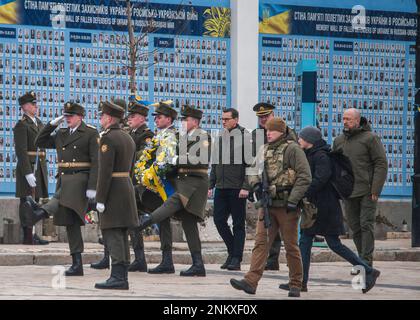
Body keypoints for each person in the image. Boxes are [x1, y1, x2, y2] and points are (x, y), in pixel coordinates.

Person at [279, 126, 380, 294]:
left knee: (334, 244)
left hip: (326, 208)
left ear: (310, 140)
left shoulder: (321, 156)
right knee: (305, 242)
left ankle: (368, 270)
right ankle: (300, 282)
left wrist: (302, 193)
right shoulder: (311, 154)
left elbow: (320, 179)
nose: (299, 140)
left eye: (302, 138)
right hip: (315, 207)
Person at [230, 118, 311, 297]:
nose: (268, 133)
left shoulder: (293, 149)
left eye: (272, 130)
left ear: (281, 132)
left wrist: (293, 199)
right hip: (267, 205)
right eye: (267, 130)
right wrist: (256, 185)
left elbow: (305, 176)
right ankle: (250, 282)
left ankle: (296, 283)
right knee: (260, 244)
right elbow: (252, 170)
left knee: (291, 245)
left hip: (287, 206)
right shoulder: (264, 149)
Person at [23, 102, 99, 276]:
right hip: (64, 179)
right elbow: (39, 141)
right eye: (65, 116)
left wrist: (93, 187)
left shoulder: (90, 133)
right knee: (70, 221)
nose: (68, 119)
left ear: (80, 117)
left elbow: (97, 162)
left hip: (81, 178)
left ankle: (40, 213)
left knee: (64, 195)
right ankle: (77, 264)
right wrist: (51, 125)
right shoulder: (62, 133)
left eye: (71, 116)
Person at [139, 104, 210, 277]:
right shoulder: (182, 137)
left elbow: (199, 160)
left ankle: (141, 224)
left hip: (194, 184)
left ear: (195, 121)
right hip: (183, 183)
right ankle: (198, 264)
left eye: (186, 120)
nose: (183, 122)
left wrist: (175, 158)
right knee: (188, 222)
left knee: (169, 206)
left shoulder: (202, 136)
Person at [333, 109, 387, 267]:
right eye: (343, 118)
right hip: (348, 192)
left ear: (357, 120)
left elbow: (381, 163)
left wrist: (376, 188)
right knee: (354, 227)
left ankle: (366, 262)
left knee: (366, 224)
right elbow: (335, 164)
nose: (345, 121)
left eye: (348, 119)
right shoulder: (339, 140)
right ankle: (361, 259)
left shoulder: (370, 138)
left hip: (367, 190)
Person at [94, 101, 139, 290]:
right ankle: (122, 275)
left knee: (112, 232)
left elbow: (105, 171)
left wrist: (100, 198)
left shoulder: (108, 138)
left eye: (102, 115)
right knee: (121, 233)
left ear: (110, 118)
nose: (100, 118)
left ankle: (118, 277)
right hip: (126, 187)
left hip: (113, 190)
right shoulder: (127, 137)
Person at [209, 108, 250, 270]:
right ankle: (232, 251)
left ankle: (236, 259)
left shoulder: (245, 137)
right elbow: (215, 163)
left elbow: (251, 164)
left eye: (227, 119)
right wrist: (211, 184)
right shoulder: (221, 137)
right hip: (221, 186)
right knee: (219, 220)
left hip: (237, 188)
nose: (224, 122)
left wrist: (246, 186)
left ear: (236, 119)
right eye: (222, 119)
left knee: (238, 224)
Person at [141, 101, 178, 274]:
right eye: (155, 117)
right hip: (153, 183)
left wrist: (152, 174)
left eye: (160, 117)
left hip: (165, 185)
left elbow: (167, 163)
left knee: (164, 221)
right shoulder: (159, 135)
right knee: (161, 220)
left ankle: (167, 260)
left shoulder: (171, 136)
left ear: (169, 119)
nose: (156, 120)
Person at [13, 91, 49, 245]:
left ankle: (34, 234)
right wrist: (27, 172)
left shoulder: (39, 123)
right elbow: (21, 151)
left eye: (36, 103)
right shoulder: (22, 125)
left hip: (39, 165)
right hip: (28, 167)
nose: (36, 106)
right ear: (24, 107)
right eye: (32, 104)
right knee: (26, 201)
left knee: (35, 200)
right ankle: (28, 235)